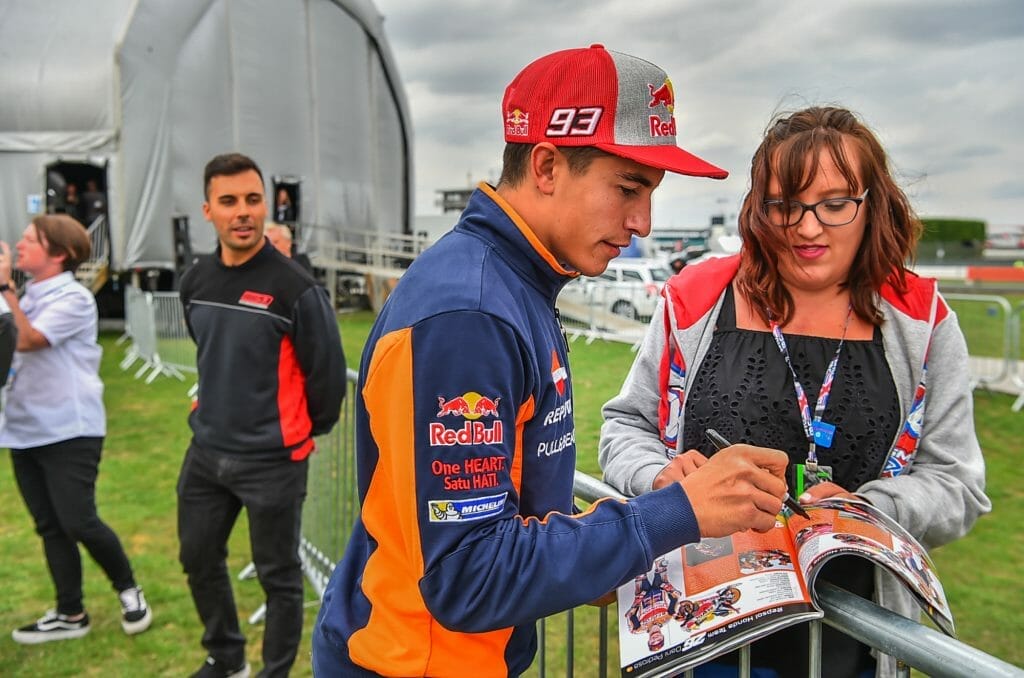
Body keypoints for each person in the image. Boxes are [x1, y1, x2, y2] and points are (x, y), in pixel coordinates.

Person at [312, 44, 795, 677]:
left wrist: (639, 526)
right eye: (628, 188)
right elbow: (468, 576)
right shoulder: (471, 314)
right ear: (546, 165)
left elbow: (510, 518)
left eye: (650, 193)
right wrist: (675, 513)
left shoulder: (517, 282)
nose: (644, 221)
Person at [599, 106, 991, 677]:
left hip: (848, 645)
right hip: (698, 638)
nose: (808, 228)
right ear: (760, 209)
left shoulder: (922, 322)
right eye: (786, 206)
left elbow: (957, 484)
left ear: (872, 204)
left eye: (835, 205)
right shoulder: (695, 301)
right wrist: (660, 478)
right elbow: (623, 427)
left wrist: (863, 511)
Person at [178, 153, 346, 678]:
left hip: (274, 462)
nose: (243, 212)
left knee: (279, 575)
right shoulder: (195, 281)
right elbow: (211, 355)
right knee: (198, 558)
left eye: (253, 199)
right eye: (229, 201)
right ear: (209, 210)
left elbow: (327, 377)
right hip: (206, 454)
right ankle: (226, 657)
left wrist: (295, 434)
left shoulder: (295, 288)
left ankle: (274, 672)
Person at [0, 214, 152, 644]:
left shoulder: (74, 298)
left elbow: (26, 340)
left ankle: (129, 589)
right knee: (48, 524)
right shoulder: (27, 295)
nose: (19, 244)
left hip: (69, 428)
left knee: (79, 520)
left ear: (60, 253)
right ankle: (70, 613)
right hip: (24, 428)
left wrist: (4, 286)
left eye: (31, 239)